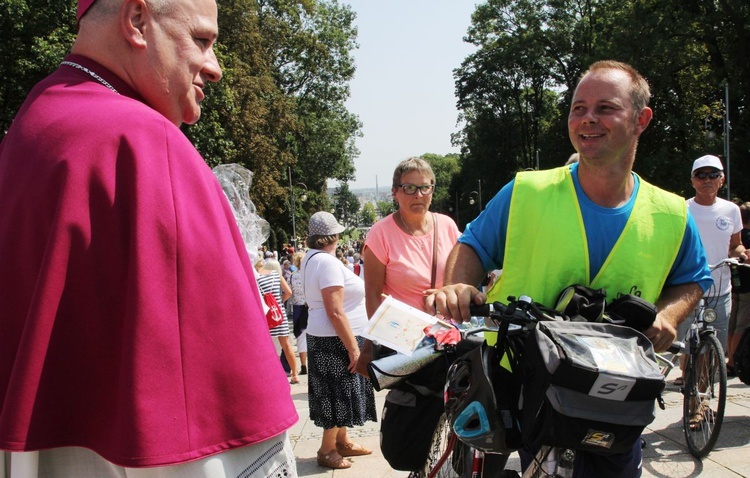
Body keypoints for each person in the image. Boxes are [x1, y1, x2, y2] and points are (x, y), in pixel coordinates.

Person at [0, 0, 299, 476]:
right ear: (137, 21)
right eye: (202, 40)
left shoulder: (26, 131)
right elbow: (216, 435)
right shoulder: (143, 144)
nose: (215, 68)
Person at [427, 60, 712, 478]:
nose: (587, 119)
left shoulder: (672, 212)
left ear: (641, 119)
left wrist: (669, 316)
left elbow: (692, 279)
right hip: (521, 383)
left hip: (616, 394)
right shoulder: (527, 191)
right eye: (578, 108)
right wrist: (456, 286)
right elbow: (473, 244)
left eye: (605, 108)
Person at [301, 212, 377, 470]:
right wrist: (354, 349)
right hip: (335, 339)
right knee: (336, 394)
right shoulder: (328, 263)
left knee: (340, 392)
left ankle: (342, 440)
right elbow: (335, 311)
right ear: (333, 236)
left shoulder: (313, 259)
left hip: (330, 337)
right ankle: (327, 449)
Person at [361, 157, 460, 317]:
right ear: (395, 192)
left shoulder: (447, 225)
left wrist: (447, 290)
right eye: (409, 188)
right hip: (402, 335)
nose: (418, 195)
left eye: (425, 187)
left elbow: (461, 274)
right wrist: (377, 338)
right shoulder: (380, 233)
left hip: (446, 333)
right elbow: (373, 296)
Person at [684, 155, 747, 352]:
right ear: (693, 180)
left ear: (722, 179)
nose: (707, 180)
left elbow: (736, 245)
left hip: (720, 289)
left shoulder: (731, 210)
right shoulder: (682, 209)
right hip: (687, 287)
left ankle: (705, 380)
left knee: (714, 348)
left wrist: (742, 253)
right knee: (688, 346)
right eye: (701, 176)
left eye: (713, 175)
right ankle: (688, 378)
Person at [257, 258, 299, 384]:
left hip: (266, 315)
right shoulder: (276, 275)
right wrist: (280, 301)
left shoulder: (256, 278)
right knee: (286, 345)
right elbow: (289, 292)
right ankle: (295, 374)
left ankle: (272, 374)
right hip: (279, 313)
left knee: (268, 347)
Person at [290, 251, 309, 375]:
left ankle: (303, 365)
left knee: (300, 338)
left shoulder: (293, 276)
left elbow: (290, 291)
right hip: (310, 307)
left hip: (298, 308)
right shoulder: (309, 274)